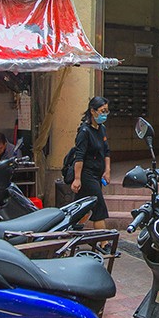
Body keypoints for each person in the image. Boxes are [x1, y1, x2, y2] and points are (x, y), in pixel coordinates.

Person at [70, 96, 112, 229]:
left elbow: (106, 151)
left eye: (106, 111)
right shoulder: (84, 131)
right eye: (102, 111)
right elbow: (79, 156)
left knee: (81, 208)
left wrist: (107, 170)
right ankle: (103, 239)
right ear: (93, 111)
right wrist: (77, 178)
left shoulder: (101, 128)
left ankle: (72, 231)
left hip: (97, 174)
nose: (105, 114)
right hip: (87, 175)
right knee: (99, 209)